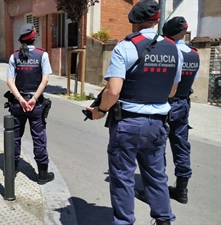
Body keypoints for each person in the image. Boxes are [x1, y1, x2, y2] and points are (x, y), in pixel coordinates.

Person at [85, 0, 183, 224]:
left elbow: (113, 90)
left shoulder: (126, 47)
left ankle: (124, 222)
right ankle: (164, 219)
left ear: (134, 23)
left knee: (122, 178)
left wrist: (99, 110)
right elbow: (172, 91)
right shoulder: (174, 49)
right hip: (158, 124)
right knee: (157, 176)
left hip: (128, 124)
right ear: (157, 20)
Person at [135, 17, 200, 205]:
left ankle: (155, 192)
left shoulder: (166, 50)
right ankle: (182, 190)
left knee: (157, 148)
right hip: (183, 104)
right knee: (181, 146)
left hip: (164, 105)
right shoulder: (194, 54)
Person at [6, 23, 54, 185]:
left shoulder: (14, 56)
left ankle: (11, 171)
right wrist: (33, 99)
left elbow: (9, 81)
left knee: (14, 137)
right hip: (36, 105)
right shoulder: (43, 55)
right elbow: (45, 80)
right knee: (39, 138)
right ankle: (42, 175)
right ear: (34, 37)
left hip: (18, 105)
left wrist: (20, 99)